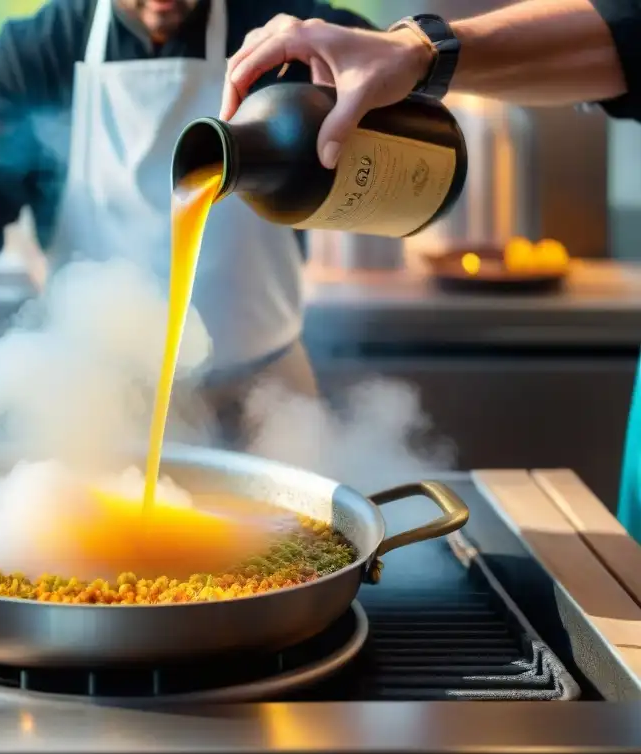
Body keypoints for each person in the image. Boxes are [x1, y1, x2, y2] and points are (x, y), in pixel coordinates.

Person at [0, 0, 375, 447]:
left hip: (265, 404)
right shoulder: (40, 49)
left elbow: (400, 70)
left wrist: (416, 56)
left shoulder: (283, 31)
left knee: (299, 559)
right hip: (94, 411)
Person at [218, 0, 641, 535]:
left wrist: (415, 49)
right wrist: (420, 49)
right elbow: (626, 40)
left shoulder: (269, 22)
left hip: (269, 365)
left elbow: (626, 37)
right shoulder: (74, 29)